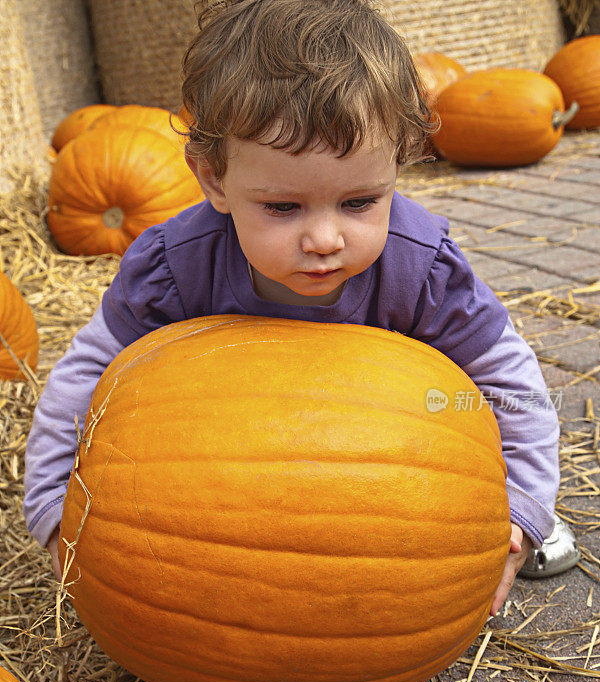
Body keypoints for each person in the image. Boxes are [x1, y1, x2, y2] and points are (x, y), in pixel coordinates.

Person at [24, 0, 580, 614]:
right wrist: (55, 508)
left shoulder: (419, 270)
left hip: (385, 484)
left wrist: (523, 506)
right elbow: (83, 380)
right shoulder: (176, 268)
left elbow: (509, 382)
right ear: (213, 180)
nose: (325, 240)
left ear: (399, 167)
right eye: (283, 208)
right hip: (234, 487)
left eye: (361, 202)